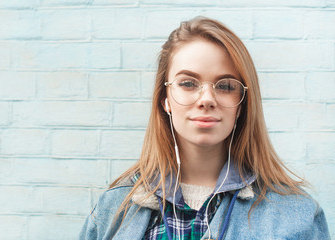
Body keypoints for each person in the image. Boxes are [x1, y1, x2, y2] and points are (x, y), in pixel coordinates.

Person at [79, 16, 330, 240]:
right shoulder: (113, 207)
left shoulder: (297, 215)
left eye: (225, 86)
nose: (207, 99)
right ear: (164, 100)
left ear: (241, 105)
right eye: (188, 83)